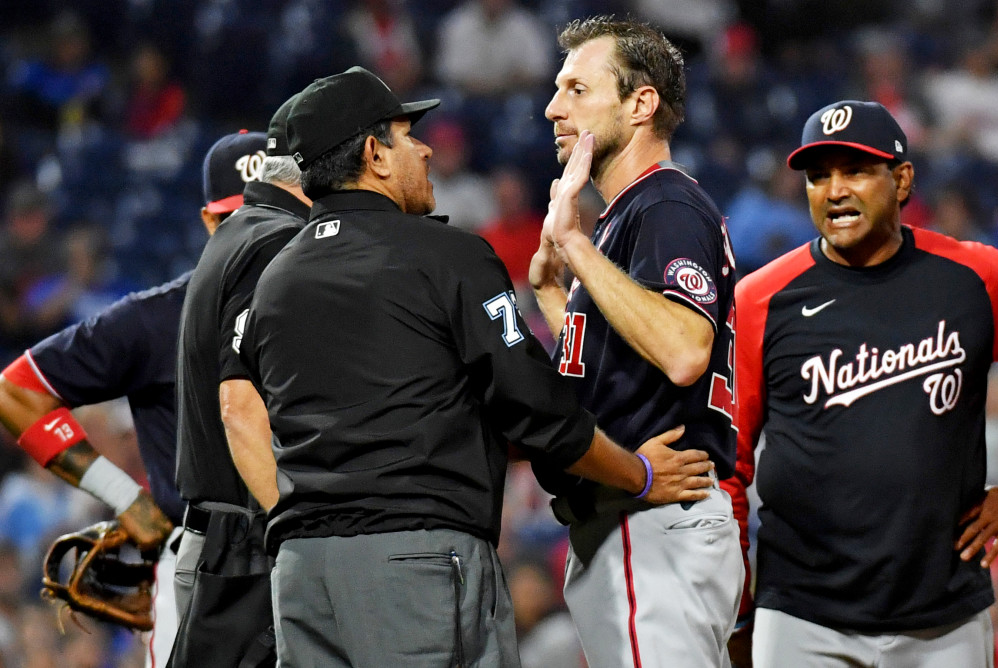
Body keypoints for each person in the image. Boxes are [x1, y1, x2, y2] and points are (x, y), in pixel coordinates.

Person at [238, 65, 714, 668]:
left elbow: (251, 406)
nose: (426, 147)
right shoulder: (447, 256)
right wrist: (639, 474)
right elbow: (539, 411)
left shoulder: (276, 279)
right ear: (374, 155)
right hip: (414, 560)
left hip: (303, 571)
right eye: (407, 134)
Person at [727, 100, 998, 667]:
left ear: (902, 180)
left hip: (944, 616)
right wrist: (735, 603)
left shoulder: (977, 277)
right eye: (819, 176)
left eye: (856, 171)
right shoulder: (761, 299)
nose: (834, 190)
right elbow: (730, 462)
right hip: (801, 615)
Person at [0, 129, 263, 668]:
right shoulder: (156, 321)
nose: (259, 235)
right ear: (210, 223)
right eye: (240, 219)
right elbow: (18, 391)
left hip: (312, 564)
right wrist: (123, 495)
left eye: (272, 214)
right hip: (200, 569)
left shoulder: (337, 310)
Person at [529, 17, 743, 668]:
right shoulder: (631, 216)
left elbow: (683, 351)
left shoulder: (665, 205)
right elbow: (615, 365)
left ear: (640, 103)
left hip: (653, 523)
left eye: (577, 89)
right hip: (634, 523)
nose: (552, 107)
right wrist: (550, 289)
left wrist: (572, 244)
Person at [171, 98, 310, 668]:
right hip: (245, 548)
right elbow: (240, 406)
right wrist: (295, 529)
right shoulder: (271, 242)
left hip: (221, 543)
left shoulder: (233, 242)